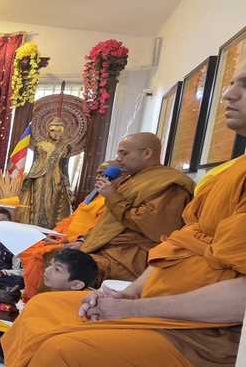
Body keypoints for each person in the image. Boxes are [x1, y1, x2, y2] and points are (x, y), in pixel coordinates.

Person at [0, 47, 246, 367]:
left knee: (63, 353)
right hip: (164, 305)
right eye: (232, 83)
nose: (229, 94)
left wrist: (134, 310)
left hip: (211, 335)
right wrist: (129, 297)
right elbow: (178, 246)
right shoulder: (241, 168)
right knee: (43, 308)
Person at [69, 132, 194, 281]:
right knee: (48, 256)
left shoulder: (170, 183)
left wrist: (112, 196)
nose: (118, 159)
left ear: (147, 153)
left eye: (124, 153)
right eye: (118, 154)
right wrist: (84, 241)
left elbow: (156, 228)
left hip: (128, 257)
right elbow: (108, 222)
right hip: (105, 249)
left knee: (59, 270)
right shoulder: (132, 179)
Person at [20, 161, 116, 301]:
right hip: (63, 238)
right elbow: (70, 220)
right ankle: (27, 288)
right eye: (97, 174)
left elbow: (95, 230)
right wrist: (55, 234)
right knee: (29, 245)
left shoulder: (109, 202)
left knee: (38, 254)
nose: (98, 178)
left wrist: (67, 241)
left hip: (77, 243)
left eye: (103, 175)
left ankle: (32, 298)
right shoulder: (92, 197)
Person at [16, 118, 73, 228]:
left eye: (59, 131)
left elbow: (64, 167)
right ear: (48, 130)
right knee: (37, 204)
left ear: (63, 131)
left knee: (53, 207)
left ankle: (49, 231)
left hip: (56, 179)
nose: (56, 133)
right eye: (53, 130)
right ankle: (34, 228)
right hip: (40, 178)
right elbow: (35, 163)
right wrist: (28, 179)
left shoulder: (66, 147)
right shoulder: (40, 145)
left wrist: (67, 185)